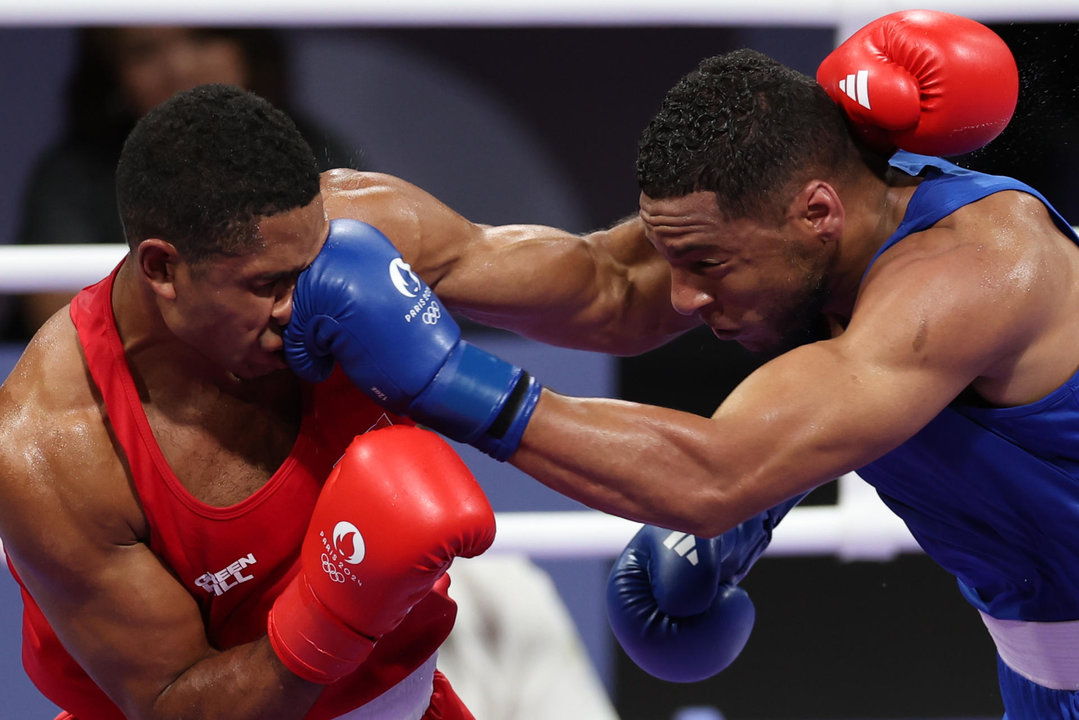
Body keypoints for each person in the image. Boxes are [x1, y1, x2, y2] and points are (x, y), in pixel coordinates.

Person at [276, 11, 1079, 718]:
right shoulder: (794, 236)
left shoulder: (974, 270)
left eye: (706, 265)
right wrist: (274, 227)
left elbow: (715, 476)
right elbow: (605, 284)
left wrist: (445, 377)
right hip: (1040, 677)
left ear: (817, 213)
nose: (685, 299)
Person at [0, 85, 495, 720]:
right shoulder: (50, 446)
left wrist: (487, 400)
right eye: (267, 285)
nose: (302, 306)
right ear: (162, 270)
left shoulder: (359, 241)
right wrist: (338, 612)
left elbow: (605, 291)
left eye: (308, 268)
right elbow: (173, 705)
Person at [11, 26, 356, 339]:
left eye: (202, 37)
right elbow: (60, 320)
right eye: (144, 50)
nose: (180, 68)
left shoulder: (310, 152)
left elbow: (353, 285)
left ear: (249, 44)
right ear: (113, 74)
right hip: (138, 383)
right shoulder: (75, 172)